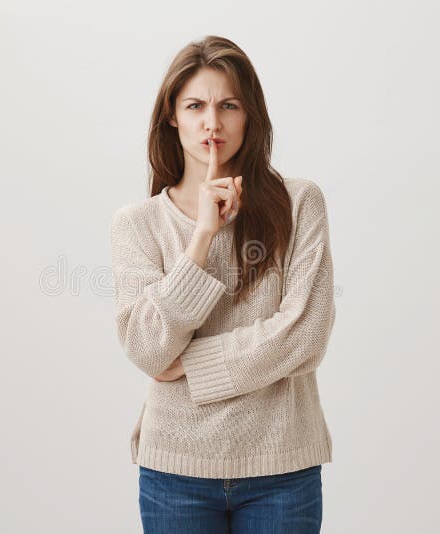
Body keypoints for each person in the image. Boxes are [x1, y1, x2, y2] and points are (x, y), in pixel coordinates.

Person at [110, 35, 336, 533]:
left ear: (249, 115)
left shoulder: (300, 204)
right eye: (195, 106)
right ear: (172, 115)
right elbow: (148, 348)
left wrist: (187, 365)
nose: (212, 123)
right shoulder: (138, 224)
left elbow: (305, 334)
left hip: (283, 469)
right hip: (175, 473)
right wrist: (203, 236)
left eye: (228, 105)